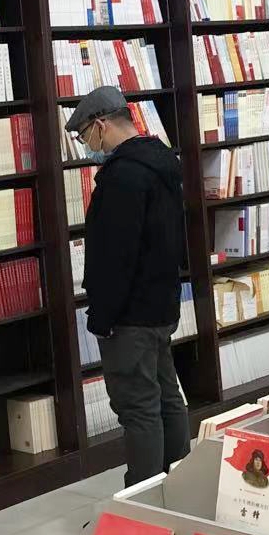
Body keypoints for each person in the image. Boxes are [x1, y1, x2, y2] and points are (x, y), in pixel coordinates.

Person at [65, 86, 186, 486]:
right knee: (167, 397)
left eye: (85, 136)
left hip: (129, 315)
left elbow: (116, 256)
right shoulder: (162, 161)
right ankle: (179, 484)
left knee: (138, 407)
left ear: (100, 125)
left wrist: (103, 318)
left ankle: (143, 498)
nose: (88, 146)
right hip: (162, 305)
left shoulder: (122, 177)